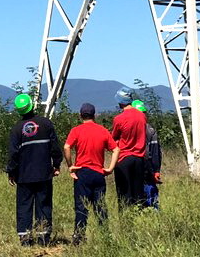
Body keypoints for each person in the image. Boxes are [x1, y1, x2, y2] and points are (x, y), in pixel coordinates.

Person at [6, 93, 62, 246]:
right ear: (32, 105)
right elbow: (55, 148)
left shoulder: (16, 130)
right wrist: (57, 165)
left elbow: (13, 154)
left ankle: (25, 240)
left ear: (19, 110)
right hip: (44, 174)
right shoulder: (46, 124)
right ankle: (43, 239)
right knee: (43, 206)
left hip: (24, 176)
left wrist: (11, 172)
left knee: (24, 207)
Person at [64, 102, 117, 243]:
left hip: (82, 173)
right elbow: (116, 149)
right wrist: (110, 168)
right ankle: (105, 235)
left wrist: (71, 166)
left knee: (81, 206)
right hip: (98, 173)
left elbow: (67, 146)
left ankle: (79, 237)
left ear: (81, 115)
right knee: (100, 206)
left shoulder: (76, 130)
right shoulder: (103, 131)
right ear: (94, 115)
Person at [110, 90, 147, 208]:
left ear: (121, 102)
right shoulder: (142, 116)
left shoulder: (119, 119)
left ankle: (125, 220)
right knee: (138, 193)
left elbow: (113, 138)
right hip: (140, 158)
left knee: (124, 193)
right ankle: (140, 217)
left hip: (124, 158)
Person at [131, 99, 162, 209]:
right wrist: (156, 170)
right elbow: (155, 152)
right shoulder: (150, 130)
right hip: (148, 167)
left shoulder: (130, 129)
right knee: (150, 193)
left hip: (137, 166)